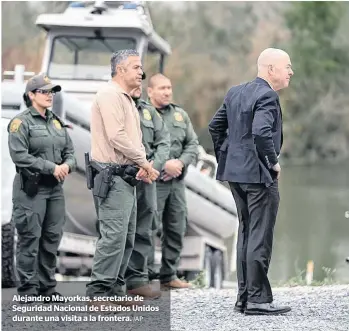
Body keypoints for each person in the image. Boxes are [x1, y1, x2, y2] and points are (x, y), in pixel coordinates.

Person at [208, 48, 293, 315]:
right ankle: (257, 299)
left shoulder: (235, 92)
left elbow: (215, 126)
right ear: (271, 69)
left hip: (235, 174)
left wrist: (229, 155)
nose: (291, 72)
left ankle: (244, 298)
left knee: (246, 232)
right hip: (258, 175)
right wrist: (273, 162)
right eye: (287, 66)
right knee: (260, 235)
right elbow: (260, 132)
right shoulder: (268, 95)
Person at [86, 50, 159, 307]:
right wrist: (144, 163)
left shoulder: (126, 98)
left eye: (141, 67)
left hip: (125, 178)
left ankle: (115, 293)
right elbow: (116, 136)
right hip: (111, 177)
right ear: (120, 70)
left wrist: (139, 166)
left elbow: (130, 140)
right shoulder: (109, 95)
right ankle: (98, 294)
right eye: (136, 67)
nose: (141, 72)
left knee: (126, 237)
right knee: (113, 236)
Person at [8, 73, 76, 302]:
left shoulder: (56, 121)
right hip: (31, 190)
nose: (50, 96)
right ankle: (28, 291)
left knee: (51, 238)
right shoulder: (21, 123)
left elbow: (70, 151)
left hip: (55, 190)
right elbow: (19, 156)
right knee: (30, 238)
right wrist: (50, 167)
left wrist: (67, 164)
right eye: (45, 92)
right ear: (31, 95)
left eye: (52, 92)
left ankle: (47, 289)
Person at [147, 73, 199, 289]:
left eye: (169, 87)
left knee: (177, 226)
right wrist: (163, 164)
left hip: (176, 183)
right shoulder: (142, 114)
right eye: (162, 88)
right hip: (152, 181)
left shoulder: (180, 115)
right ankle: (145, 277)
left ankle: (169, 276)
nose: (167, 92)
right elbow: (138, 146)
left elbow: (192, 144)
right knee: (148, 228)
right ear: (150, 91)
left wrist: (181, 163)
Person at [125, 82, 170, 298]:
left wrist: (154, 166)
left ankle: (137, 281)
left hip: (148, 177)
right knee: (119, 230)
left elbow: (164, 141)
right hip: (123, 175)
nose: (138, 85)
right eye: (135, 78)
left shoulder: (149, 111)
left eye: (141, 81)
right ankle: (113, 284)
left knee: (145, 227)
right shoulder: (116, 105)